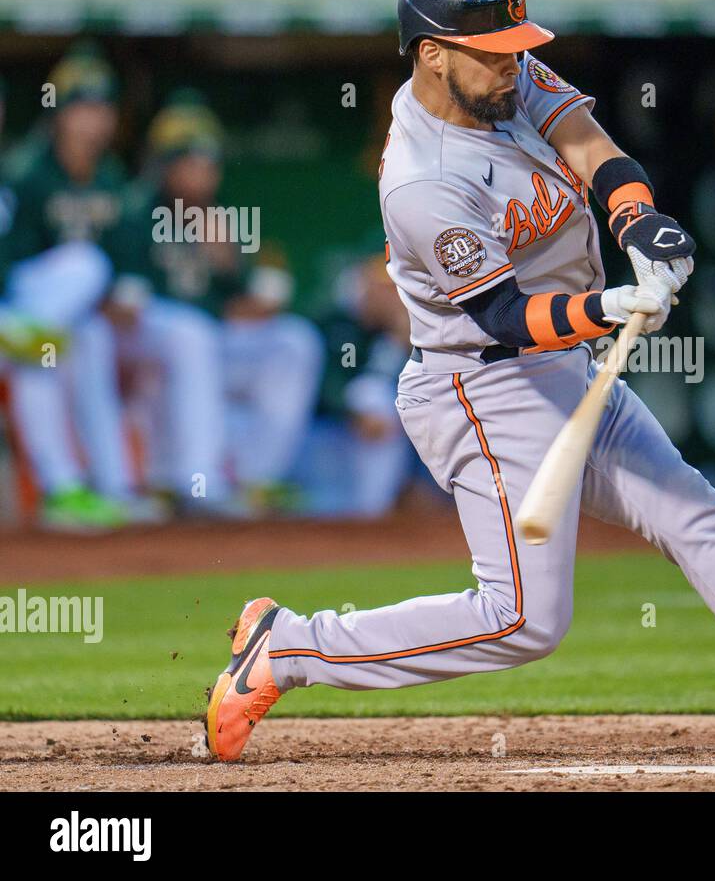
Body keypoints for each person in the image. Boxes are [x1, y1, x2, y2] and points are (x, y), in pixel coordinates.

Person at [205, 0, 715, 762]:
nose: (513, 61)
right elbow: (503, 317)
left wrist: (640, 223)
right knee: (523, 621)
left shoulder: (501, 77)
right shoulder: (421, 182)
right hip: (483, 385)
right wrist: (605, 308)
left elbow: (588, 143)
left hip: (565, 370)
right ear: (432, 54)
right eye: (493, 50)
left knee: (695, 516)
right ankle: (289, 648)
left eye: (515, 46)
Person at [106, 90, 324, 517]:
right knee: (192, 333)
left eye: (208, 162)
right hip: (148, 344)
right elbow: (126, 304)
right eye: (190, 161)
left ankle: (255, 478)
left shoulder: (219, 217)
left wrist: (234, 276)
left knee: (295, 342)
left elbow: (241, 298)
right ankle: (197, 482)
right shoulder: (136, 212)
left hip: (207, 343)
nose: (202, 173)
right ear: (164, 165)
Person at [0, 43, 141, 530]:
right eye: (82, 108)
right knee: (83, 264)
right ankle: (62, 488)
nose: (93, 120)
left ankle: (102, 488)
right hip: (14, 305)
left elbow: (128, 259)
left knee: (66, 348)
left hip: (43, 324)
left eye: (101, 108)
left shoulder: (109, 175)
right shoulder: (26, 170)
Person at [295, 254, 424, 518]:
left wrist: (401, 343)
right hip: (319, 435)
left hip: (363, 444)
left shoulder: (395, 333)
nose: (391, 298)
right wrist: (352, 413)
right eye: (383, 289)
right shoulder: (337, 324)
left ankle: (377, 511)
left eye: (394, 290)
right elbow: (323, 386)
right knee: (372, 397)